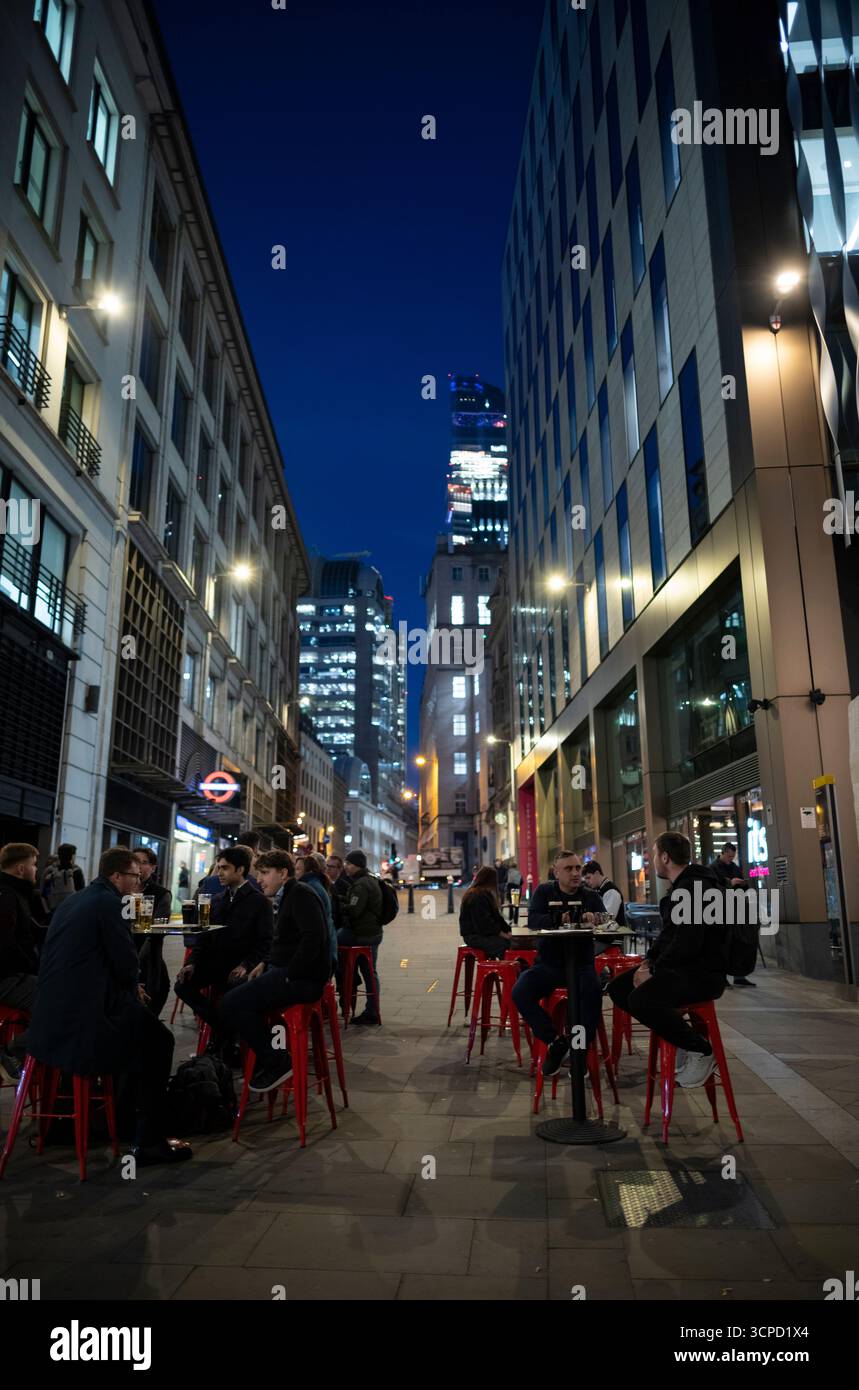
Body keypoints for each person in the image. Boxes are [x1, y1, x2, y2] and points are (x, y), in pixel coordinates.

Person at [26, 846, 192, 1165]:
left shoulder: (77, 899)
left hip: (52, 1014)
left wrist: (129, 986)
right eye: (133, 876)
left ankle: (123, 1117)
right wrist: (133, 987)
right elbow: (126, 961)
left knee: (142, 1034)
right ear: (116, 876)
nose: (138, 881)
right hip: (86, 1018)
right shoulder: (110, 904)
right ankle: (147, 1140)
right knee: (160, 1041)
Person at [608, 832, 729, 1089]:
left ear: (665, 857)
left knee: (640, 999)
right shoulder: (682, 886)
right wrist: (647, 963)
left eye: (654, 855)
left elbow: (688, 943)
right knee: (619, 988)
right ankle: (680, 1038)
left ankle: (701, 1051)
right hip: (682, 968)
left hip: (703, 975)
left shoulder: (695, 888)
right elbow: (669, 937)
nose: (653, 861)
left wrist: (655, 971)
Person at [219, 849, 333, 1092]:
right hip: (289, 972)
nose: (259, 879)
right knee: (235, 989)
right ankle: (259, 1057)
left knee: (231, 1003)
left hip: (303, 980)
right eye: (258, 873)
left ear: (283, 873)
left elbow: (314, 938)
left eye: (264, 873)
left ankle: (277, 1061)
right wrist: (266, 962)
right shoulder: (288, 894)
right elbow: (286, 940)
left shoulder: (300, 893)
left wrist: (290, 973)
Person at [511, 850, 607, 1077]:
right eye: (569, 869)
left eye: (578, 868)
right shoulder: (544, 892)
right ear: (556, 872)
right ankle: (555, 1041)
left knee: (592, 997)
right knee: (520, 991)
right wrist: (560, 917)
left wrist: (596, 918)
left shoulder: (590, 896)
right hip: (549, 964)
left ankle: (579, 1052)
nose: (575, 873)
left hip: (582, 964)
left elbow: (607, 921)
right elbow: (533, 920)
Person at [173, 846, 272, 1055]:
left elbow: (265, 943)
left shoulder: (259, 901)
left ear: (240, 869)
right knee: (182, 985)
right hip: (215, 964)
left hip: (240, 966)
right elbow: (203, 937)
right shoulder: (216, 900)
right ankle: (224, 1029)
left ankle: (226, 1039)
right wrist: (191, 963)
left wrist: (246, 965)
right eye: (218, 867)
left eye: (225, 868)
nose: (219, 873)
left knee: (232, 990)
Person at [0, 843, 44, 1084]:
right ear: (20, 868)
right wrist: (36, 969)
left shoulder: (15, 893)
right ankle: (11, 1052)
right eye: (34, 865)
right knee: (60, 1002)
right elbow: (6, 946)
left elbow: (35, 931)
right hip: (6, 978)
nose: (36, 870)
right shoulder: (6, 895)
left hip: (13, 974)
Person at [338, 849, 383, 1026]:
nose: (346, 867)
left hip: (363, 934)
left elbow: (355, 910)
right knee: (371, 972)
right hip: (373, 933)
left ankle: (346, 975)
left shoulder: (361, 884)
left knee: (332, 941)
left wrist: (339, 904)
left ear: (356, 865)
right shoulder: (370, 880)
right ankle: (372, 1009)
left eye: (348, 864)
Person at [710, 843, 754, 988]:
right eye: (729, 856)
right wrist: (730, 883)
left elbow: (743, 887)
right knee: (724, 944)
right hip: (721, 909)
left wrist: (742, 884)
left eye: (732, 857)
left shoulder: (734, 867)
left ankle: (739, 975)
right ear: (722, 853)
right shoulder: (713, 868)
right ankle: (722, 977)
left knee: (739, 943)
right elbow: (712, 888)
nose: (730, 859)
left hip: (737, 907)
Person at [459, 867, 512, 960]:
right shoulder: (477, 896)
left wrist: (509, 930)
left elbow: (497, 918)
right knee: (506, 945)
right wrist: (503, 934)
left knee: (512, 943)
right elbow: (484, 924)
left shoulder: (484, 894)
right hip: (474, 936)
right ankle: (506, 970)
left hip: (480, 934)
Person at [41, 843, 85, 920]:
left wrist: (47, 911)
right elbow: (81, 894)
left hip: (52, 912)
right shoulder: (77, 872)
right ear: (72, 856)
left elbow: (44, 893)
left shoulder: (50, 871)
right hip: (71, 913)